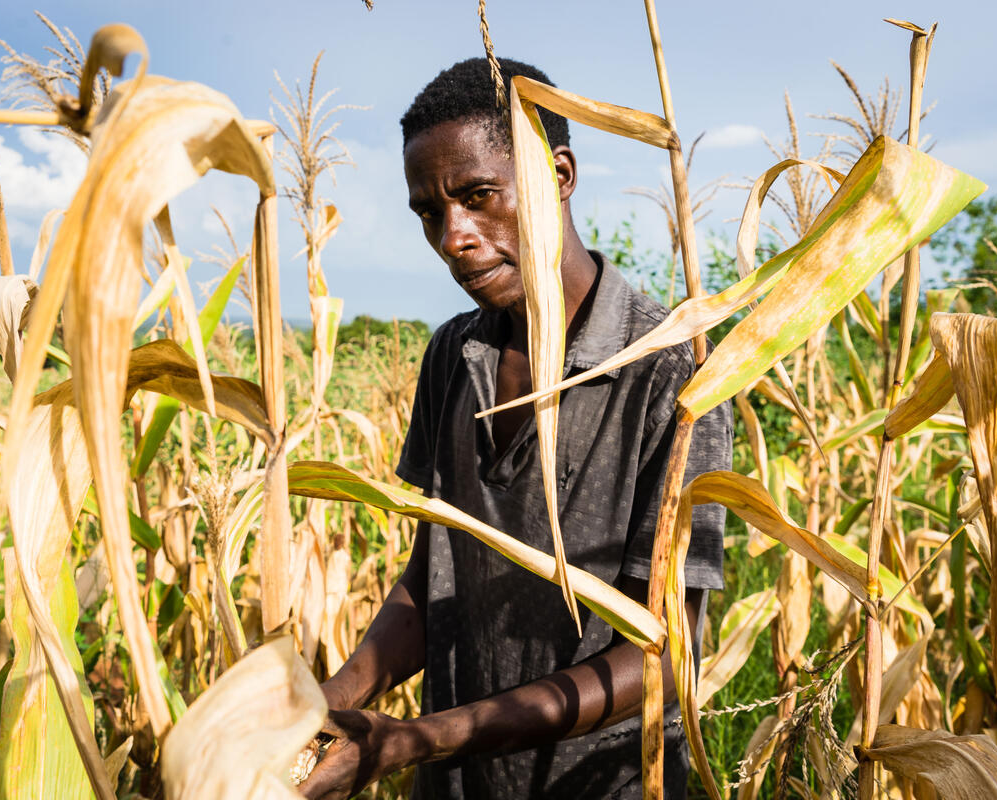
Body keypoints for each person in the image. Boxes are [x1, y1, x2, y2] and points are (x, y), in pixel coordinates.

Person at [299, 57, 732, 800]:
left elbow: (660, 653)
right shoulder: (453, 355)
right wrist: (329, 705)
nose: (453, 236)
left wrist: (414, 739)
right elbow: (429, 578)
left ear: (558, 175)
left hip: (602, 784)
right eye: (430, 213)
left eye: (477, 197)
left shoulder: (672, 370)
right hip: (456, 784)